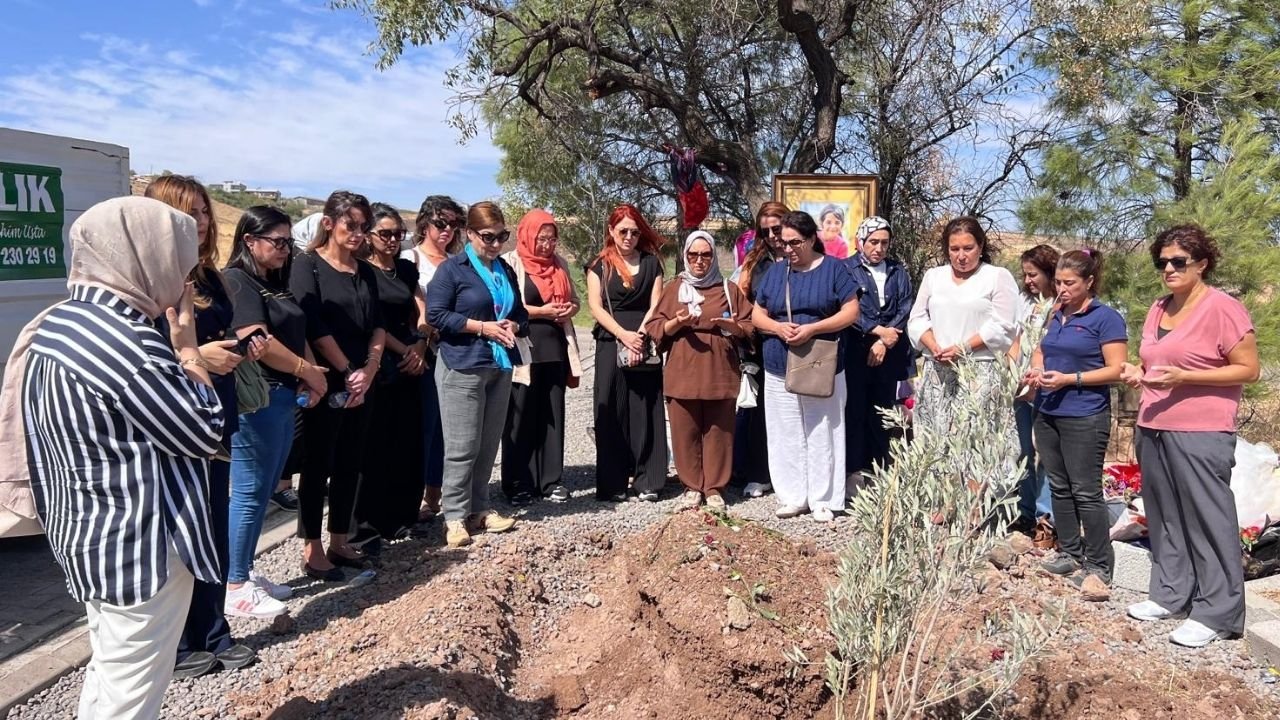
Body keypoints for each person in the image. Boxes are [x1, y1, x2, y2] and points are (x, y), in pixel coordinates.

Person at [0, 197, 224, 719]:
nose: (187, 282)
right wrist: (188, 348)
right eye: (180, 265)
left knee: (111, 670)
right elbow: (204, 429)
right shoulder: (126, 343)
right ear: (142, 257)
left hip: (90, 535)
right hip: (140, 549)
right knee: (130, 696)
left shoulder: (61, 321)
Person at [144, 176, 269, 678]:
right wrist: (193, 355)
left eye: (202, 212)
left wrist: (239, 349)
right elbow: (144, 360)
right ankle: (176, 644)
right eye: (188, 212)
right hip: (173, 427)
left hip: (215, 420)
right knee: (178, 538)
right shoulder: (149, 281)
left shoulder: (210, 278)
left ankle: (214, 630)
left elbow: (221, 333)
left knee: (213, 530)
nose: (200, 222)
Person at [1121, 224, 1259, 647]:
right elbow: (1156, 364)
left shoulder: (1223, 308)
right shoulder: (1158, 308)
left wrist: (1187, 377)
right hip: (1153, 424)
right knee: (1164, 515)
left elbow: (1248, 370)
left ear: (1201, 263)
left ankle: (1217, 613)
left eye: (1178, 261)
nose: (1168, 268)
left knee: (1206, 518)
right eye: (1162, 261)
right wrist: (1139, 374)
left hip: (1201, 429)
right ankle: (1170, 594)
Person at [222, 207, 327, 620]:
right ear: (250, 241)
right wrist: (308, 372)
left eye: (289, 242)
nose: (286, 250)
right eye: (278, 242)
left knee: (264, 490)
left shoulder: (274, 282)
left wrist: (308, 375)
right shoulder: (238, 281)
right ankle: (233, 584)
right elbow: (257, 341)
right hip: (258, 400)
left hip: (283, 397)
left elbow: (293, 332)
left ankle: (244, 570)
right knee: (248, 494)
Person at [289, 191, 386, 581]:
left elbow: (377, 323)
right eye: (352, 225)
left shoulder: (364, 272)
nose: (359, 234)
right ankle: (311, 548)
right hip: (326, 381)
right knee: (318, 465)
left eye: (365, 227)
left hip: (363, 380)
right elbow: (311, 323)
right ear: (329, 223)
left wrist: (371, 367)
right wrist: (346, 369)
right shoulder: (307, 265)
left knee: (352, 461)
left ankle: (340, 539)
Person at [427, 201, 527, 547]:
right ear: (469, 234)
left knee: (486, 444)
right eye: (489, 237)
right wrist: (480, 327)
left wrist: (515, 322)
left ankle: (479, 509)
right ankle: (453, 516)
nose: (497, 244)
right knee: (461, 446)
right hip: (462, 365)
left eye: (503, 236)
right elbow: (436, 316)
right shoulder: (453, 270)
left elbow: (521, 312)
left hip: (498, 364)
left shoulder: (504, 270)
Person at [1026, 249, 1127, 591]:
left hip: (1085, 413)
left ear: (1089, 282)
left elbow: (1116, 369)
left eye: (1070, 283)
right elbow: (1042, 349)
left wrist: (1072, 379)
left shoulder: (1106, 318)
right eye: (1058, 282)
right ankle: (1070, 552)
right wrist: (1037, 369)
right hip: (1048, 410)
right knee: (1059, 484)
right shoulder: (1056, 313)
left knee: (1085, 490)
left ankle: (1099, 565)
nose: (1062, 288)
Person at [751, 211, 861, 521]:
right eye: (783, 243)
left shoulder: (835, 270)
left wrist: (814, 328)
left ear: (812, 238)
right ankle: (792, 495)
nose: (787, 249)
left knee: (823, 429)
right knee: (784, 430)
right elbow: (756, 315)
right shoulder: (776, 273)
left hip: (821, 362)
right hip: (778, 363)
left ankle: (823, 499)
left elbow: (851, 312)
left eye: (794, 242)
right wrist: (777, 328)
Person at [647, 230, 753, 510]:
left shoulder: (728, 290)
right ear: (685, 256)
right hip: (683, 368)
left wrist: (734, 327)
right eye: (693, 255)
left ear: (714, 256)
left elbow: (750, 324)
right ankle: (692, 486)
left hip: (719, 369)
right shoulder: (675, 288)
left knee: (719, 430)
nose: (699, 261)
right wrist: (676, 323)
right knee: (685, 430)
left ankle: (715, 487)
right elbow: (656, 327)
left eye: (706, 255)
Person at [907, 216, 1019, 451]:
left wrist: (963, 349)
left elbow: (1003, 326)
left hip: (979, 372)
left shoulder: (996, 277)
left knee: (973, 443)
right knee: (935, 443)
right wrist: (935, 345)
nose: (961, 255)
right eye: (954, 249)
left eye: (968, 248)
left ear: (981, 246)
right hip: (937, 370)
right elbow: (917, 319)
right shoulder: (934, 276)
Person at [586, 205, 668, 502]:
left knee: (646, 409)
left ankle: (649, 479)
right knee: (611, 409)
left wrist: (641, 338)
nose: (629, 237)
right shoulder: (600, 265)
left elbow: (656, 304)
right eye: (623, 231)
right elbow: (595, 306)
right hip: (611, 340)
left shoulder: (652, 263)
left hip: (644, 340)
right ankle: (613, 481)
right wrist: (623, 335)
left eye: (635, 232)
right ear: (612, 231)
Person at [501, 209, 582, 504]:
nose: (547, 245)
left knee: (552, 415)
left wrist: (569, 309)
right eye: (541, 238)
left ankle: (550, 480)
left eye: (552, 239)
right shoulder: (511, 262)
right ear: (527, 236)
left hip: (555, 349)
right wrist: (542, 312)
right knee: (520, 416)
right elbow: (509, 305)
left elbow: (575, 299)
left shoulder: (559, 264)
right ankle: (518, 482)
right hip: (524, 348)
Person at [403, 195, 465, 520]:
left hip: (457, 351)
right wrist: (426, 332)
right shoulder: (411, 259)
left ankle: (436, 496)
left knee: (447, 428)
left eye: (454, 224)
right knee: (423, 426)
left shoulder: (460, 262)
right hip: (423, 352)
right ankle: (410, 499)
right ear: (425, 222)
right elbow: (418, 308)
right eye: (441, 223)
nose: (448, 231)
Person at [843, 216, 913, 479]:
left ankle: (879, 469)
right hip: (857, 351)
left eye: (884, 243)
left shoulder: (897, 270)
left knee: (883, 411)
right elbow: (848, 307)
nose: (879, 248)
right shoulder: (846, 269)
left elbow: (906, 306)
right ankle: (853, 471)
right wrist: (876, 331)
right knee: (855, 410)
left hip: (890, 352)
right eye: (873, 242)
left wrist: (885, 339)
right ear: (860, 242)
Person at [733, 202, 789, 498]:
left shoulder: (805, 255)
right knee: (762, 412)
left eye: (776, 229)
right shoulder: (754, 262)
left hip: (800, 343)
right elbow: (740, 299)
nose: (772, 236)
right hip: (763, 344)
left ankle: (793, 475)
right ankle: (760, 473)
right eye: (765, 230)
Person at [1009, 244, 1059, 534]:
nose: (1028, 281)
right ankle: (1024, 510)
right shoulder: (1025, 302)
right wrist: (1013, 372)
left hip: (1047, 385)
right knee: (1022, 451)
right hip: (1021, 384)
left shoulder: (1060, 305)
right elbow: (1015, 339)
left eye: (1034, 274)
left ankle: (1046, 515)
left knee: (1047, 453)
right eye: (1025, 275)